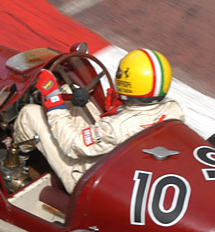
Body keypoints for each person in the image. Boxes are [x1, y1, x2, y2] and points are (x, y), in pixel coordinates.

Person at [12, 48, 185, 193]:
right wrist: (118, 111)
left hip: (84, 178)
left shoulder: (116, 128)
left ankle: (17, 160)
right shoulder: (173, 108)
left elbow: (72, 145)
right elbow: (134, 124)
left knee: (30, 113)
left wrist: (53, 101)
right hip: (125, 170)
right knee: (72, 92)